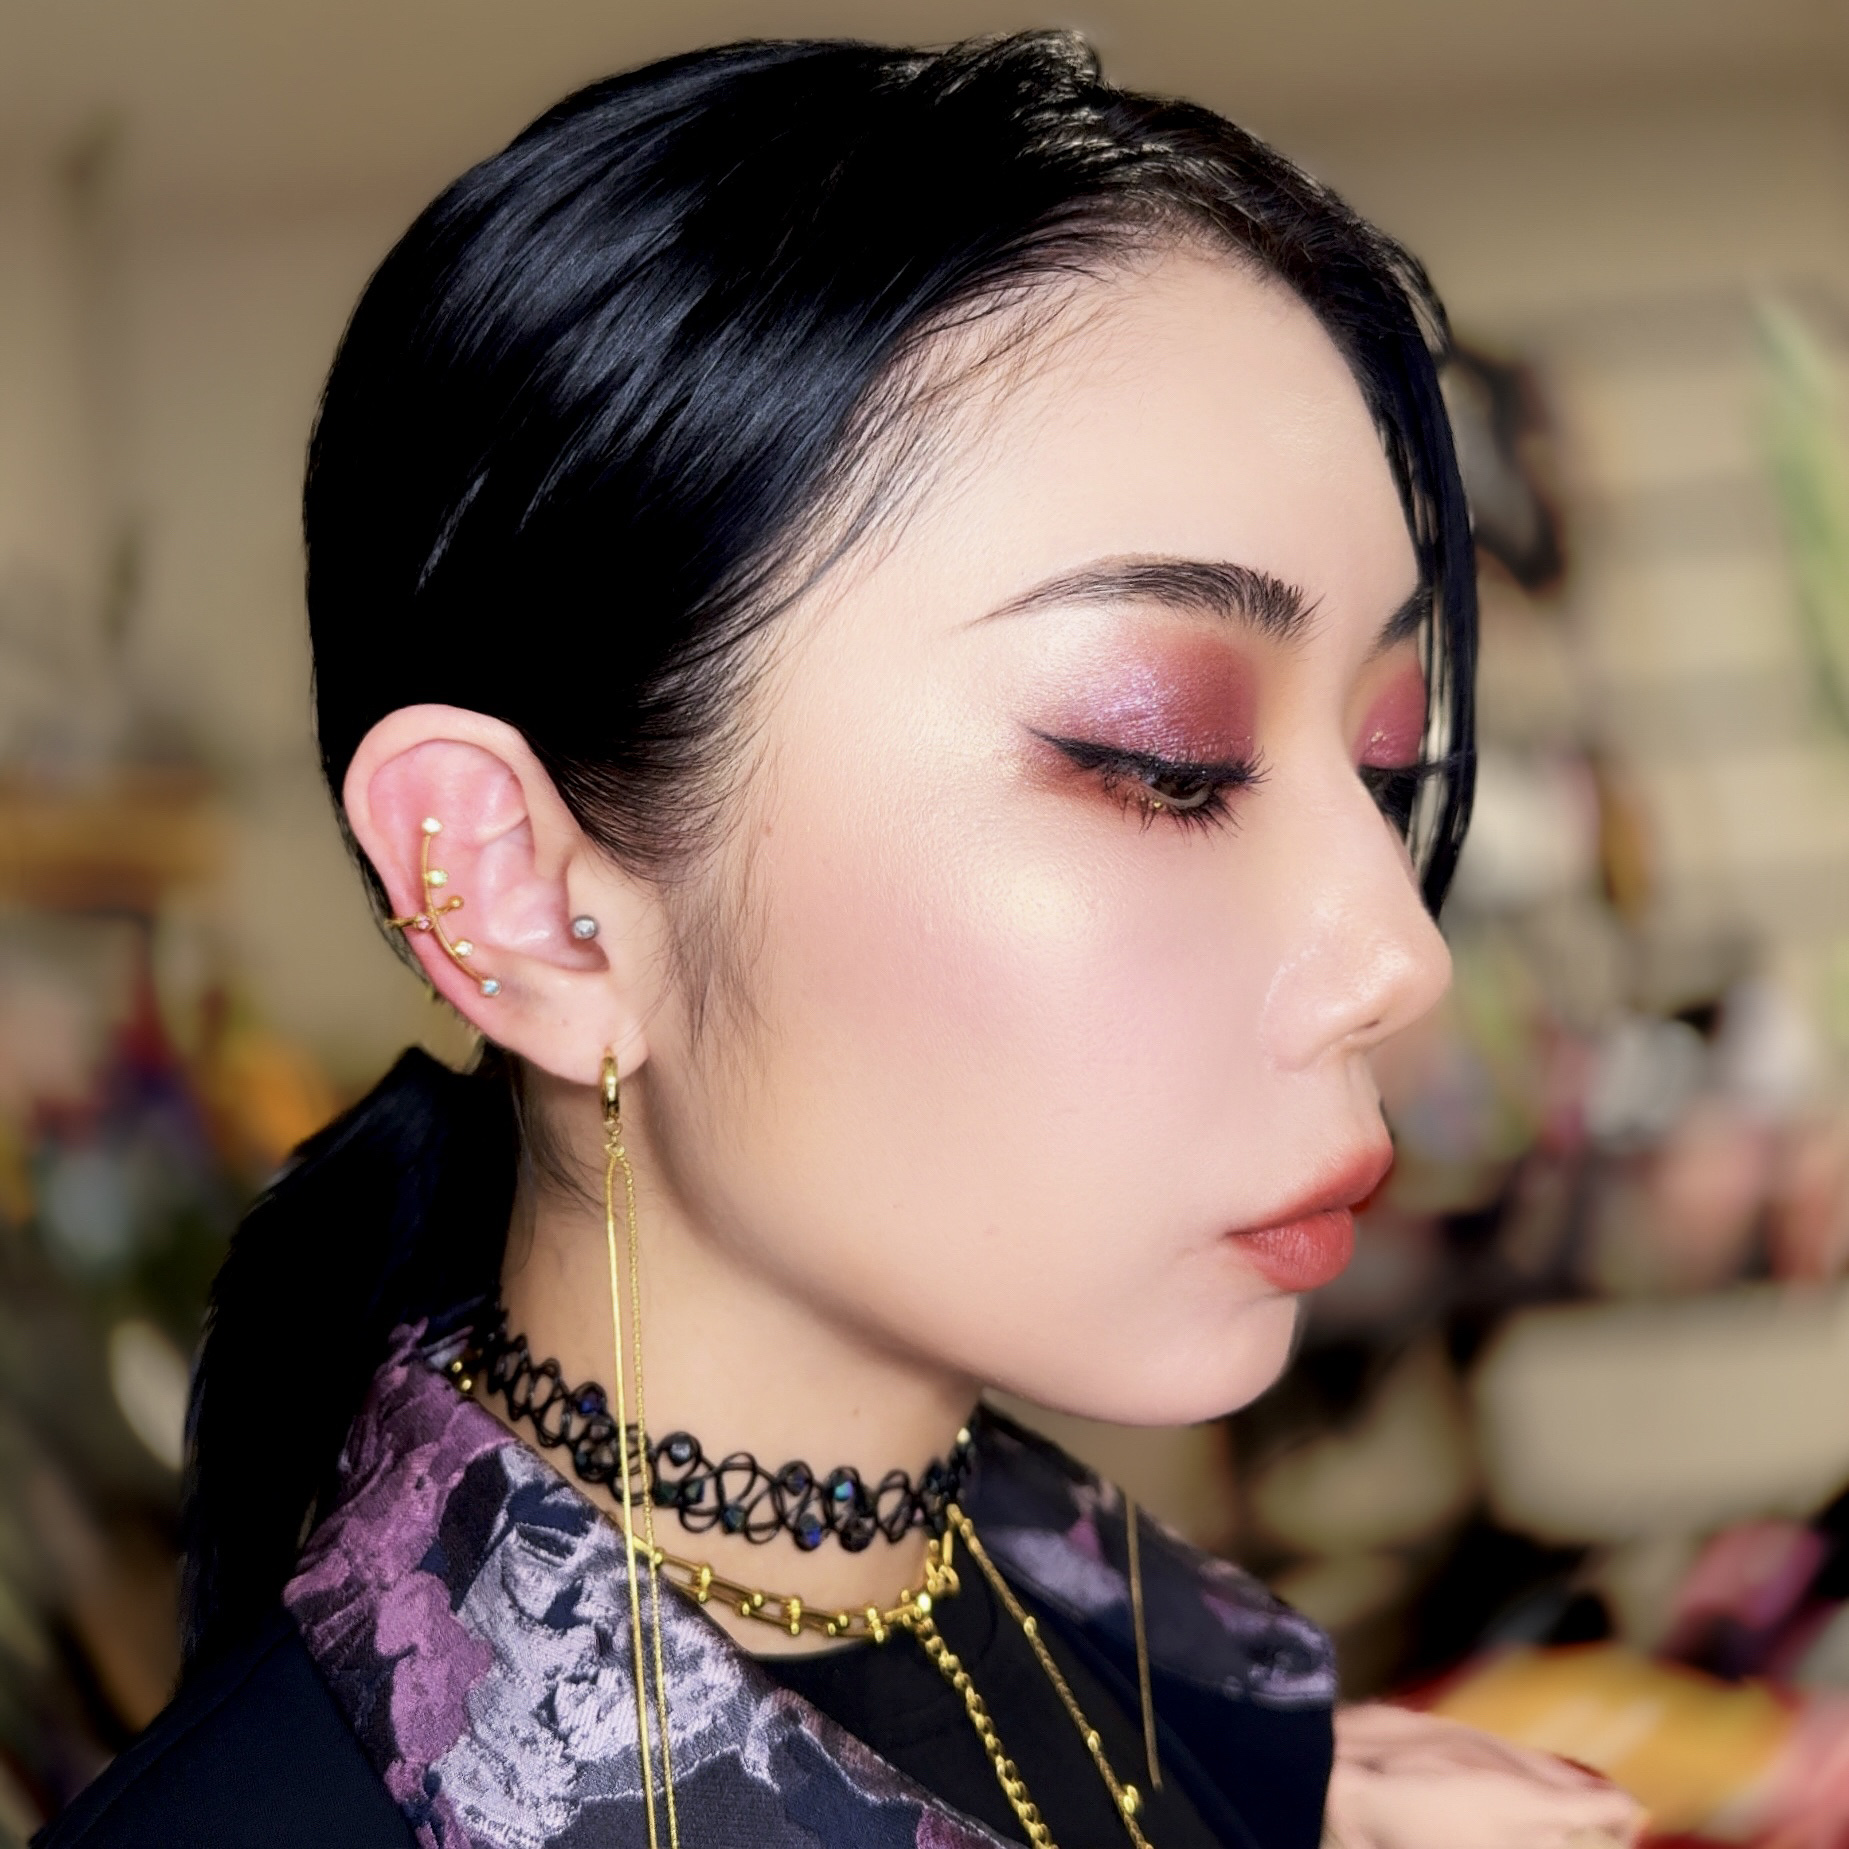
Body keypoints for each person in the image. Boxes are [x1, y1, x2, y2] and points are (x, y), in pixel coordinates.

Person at [36, 32, 1642, 1849]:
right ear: (525, 899)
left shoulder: (1186, 1690)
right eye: (1167, 763)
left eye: (1382, 764)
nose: (1394, 956)